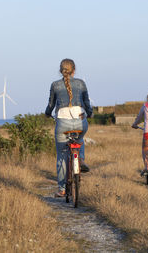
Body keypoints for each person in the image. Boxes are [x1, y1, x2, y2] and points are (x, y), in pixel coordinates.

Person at [45, 58, 93, 197]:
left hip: (62, 122)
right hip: (80, 121)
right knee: (80, 139)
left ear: (61, 70)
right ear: (74, 70)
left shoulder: (55, 85)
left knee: (61, 155)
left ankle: (62, 189)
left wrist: (47, 114)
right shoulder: (81, 83)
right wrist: (90, 114)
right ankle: (81, 159)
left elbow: (51, 104)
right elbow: (87, 103)